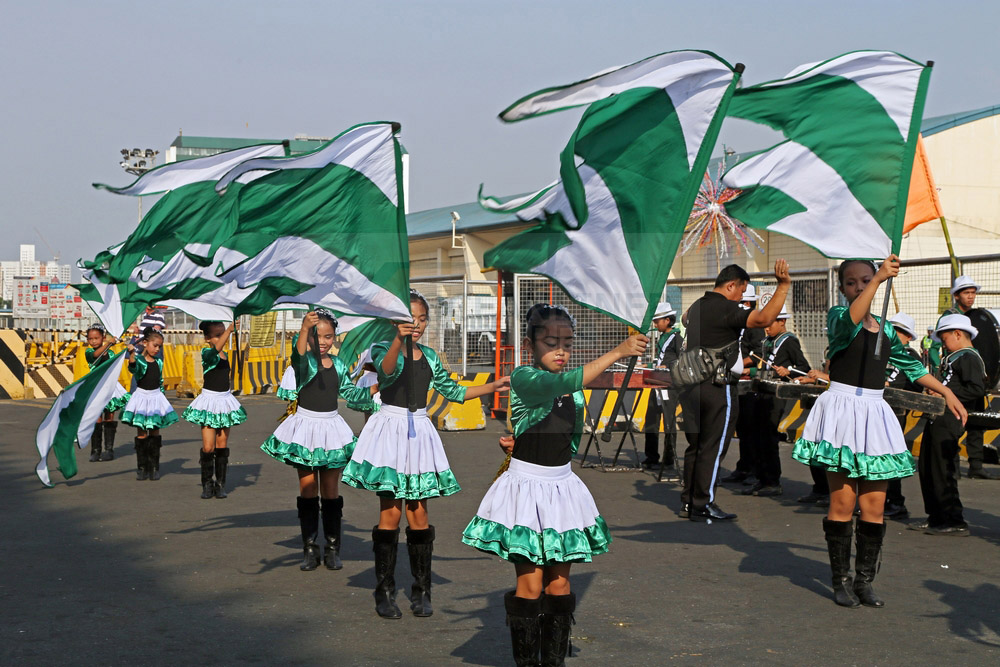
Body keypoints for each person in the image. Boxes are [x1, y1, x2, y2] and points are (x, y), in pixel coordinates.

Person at [462, 303, 647, 667]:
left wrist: (523, 441)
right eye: (550, 343)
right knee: (530, 585)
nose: (561, 351)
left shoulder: (573, 391)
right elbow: (563, 383)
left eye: (567, 343)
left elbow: (563, 435)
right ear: (529, 345)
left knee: (560, 585)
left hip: (562, 490)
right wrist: (619, 351)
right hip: (527, 492)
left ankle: (554, 661)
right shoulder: (524, 377)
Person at [792, 257, 966, 608]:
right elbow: (853, 319)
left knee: (874, 505)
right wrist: (878, 280)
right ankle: (840, 581)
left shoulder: (886, 329)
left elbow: (911, 366)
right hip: (842, 411)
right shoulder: (839, 316)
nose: (859, 286)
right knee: (843, 502)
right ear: (842, 288)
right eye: (852, 282)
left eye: (866, 280)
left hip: (874, 413)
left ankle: (864, 581)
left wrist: (946, 392)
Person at [342, 290, 510, 619]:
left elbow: (454, 391)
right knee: (390, 513)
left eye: (421, 319)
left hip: (419, 433)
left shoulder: (431, 356)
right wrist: (397, 339)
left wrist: (492, 386)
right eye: (409, 319)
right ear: (395, 322)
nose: (416, 325)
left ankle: (422, 590)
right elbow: (388, 372)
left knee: (419, 514)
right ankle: (385, 591)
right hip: (390, 431)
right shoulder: (383, 348)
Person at [261, 310, 376, 572]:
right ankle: (310, 548)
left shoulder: (338, 365)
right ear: (310, 338)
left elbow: (351, 393)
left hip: (332, 430)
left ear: (334, 337)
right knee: (308, 488)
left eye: (328, 336)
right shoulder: (304, 364)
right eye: (317, 336)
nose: (323, 341)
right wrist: (304, 328)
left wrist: (376, 387)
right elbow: (298, 355)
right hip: (305, 429)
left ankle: (333, 548)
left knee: (331, 490)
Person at [679, 261, 791, 522]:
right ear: (730, 285)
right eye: (741, 292)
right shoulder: (727, 309)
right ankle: (703, 503)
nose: (741, 299)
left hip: (692, 385)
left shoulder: (697, 306)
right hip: (718, 387)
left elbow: (684, 318)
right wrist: (783, 286)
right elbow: (763, 319)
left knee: (696, 446)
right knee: (713, 447)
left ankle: (689, 501)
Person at [910, 314, 985, 537]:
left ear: (958, 334)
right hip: (938, 416)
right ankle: (935, 516)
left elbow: (976, 389)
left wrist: (946, 395)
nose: (943, 345)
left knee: (943, 468)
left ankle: (953, 519)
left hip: (950, 418)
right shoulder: (954, 357)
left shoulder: (969, 357)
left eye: (944, 340)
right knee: (928, 467)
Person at [742, 305, 811, 498]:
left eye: (770, 323)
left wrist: (788, 371)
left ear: (782, 322)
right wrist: (751, 371)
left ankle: (772, 481)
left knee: (769, 436)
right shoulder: (767, 342)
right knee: (758, 436)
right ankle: (761, 478)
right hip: (762, 391)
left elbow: (804, 367)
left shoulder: (789, 342)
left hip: (776, 395)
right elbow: (763, 367)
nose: (766, 328)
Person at [931, 276, 993, 479]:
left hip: (972, 374)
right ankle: (953, 468)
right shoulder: (949, 318)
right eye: (966, 293)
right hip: (956, 375)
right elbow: (935, 348)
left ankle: (976, 465)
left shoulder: (977, 316)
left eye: (973, 292)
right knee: (954, 425)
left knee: (976, 423)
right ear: (956, 296)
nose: (971, 297)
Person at [182, 321, 246, 499]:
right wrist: (229, 331)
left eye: (222, 333)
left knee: (222, 444)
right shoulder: (207, 353)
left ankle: (220, 484)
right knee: (208, 447)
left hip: (224, 401)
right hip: (209, 403)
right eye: (217, 335)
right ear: (207, 338)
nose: (221, 337)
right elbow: (216, 349)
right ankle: (207, 484)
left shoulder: (226, 354)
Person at [121, 328, 178, 481]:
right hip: (141, 398)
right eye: (155, 345)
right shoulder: (139, 360)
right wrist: (132, 354)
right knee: (142, 432)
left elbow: (160, 381)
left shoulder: (159, 362)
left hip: (155, 398)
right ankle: (142, 467)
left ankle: (154, 467)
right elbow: (133, 368)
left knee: (154, 432)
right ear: (145, 343)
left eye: (159, 346)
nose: (157, 349)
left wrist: (162, 400)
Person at [722, 285, 765, 486]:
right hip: (736, 381)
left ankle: (754, 468)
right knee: (740, 427)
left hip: (749, 385)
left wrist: (739, 364)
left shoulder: (754, 328)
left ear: (747, 303)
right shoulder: (738, 326)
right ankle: (744, 466)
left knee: (750, 427)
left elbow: (758, 355)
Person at [883, 312, 923, 520]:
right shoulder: (884, 352)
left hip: (896, 410)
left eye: (897, 331)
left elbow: (915, 383)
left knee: (890, 455)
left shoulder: (909, 356)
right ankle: (877, 499)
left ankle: (896, 501)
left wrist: (889, 384)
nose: (892, 334)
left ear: (908, 336)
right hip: (877, 408)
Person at [642, 302, 682, 478]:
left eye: (658, 321)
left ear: (667, 320)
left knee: (668, 422)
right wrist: (649, 366)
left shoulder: (677, 338)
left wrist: (668, 366)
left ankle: (668, 459)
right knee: (651, 419)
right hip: (656, 382)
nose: (655, 324)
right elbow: (660, 360)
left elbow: (681, 360)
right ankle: (651, 456)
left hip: (669, 386)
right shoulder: (663, 337)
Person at [84, 324, 130, 462]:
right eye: (90, 339)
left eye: (96, 338)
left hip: (109, 387)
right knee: (96, 418)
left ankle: (109, 449)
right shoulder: (89, 352)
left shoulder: (111, 353)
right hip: (96, 387)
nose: (93, 341)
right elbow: (96, 355)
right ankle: (95, 450)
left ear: (102, 337)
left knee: (109, 417)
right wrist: (109, 343)